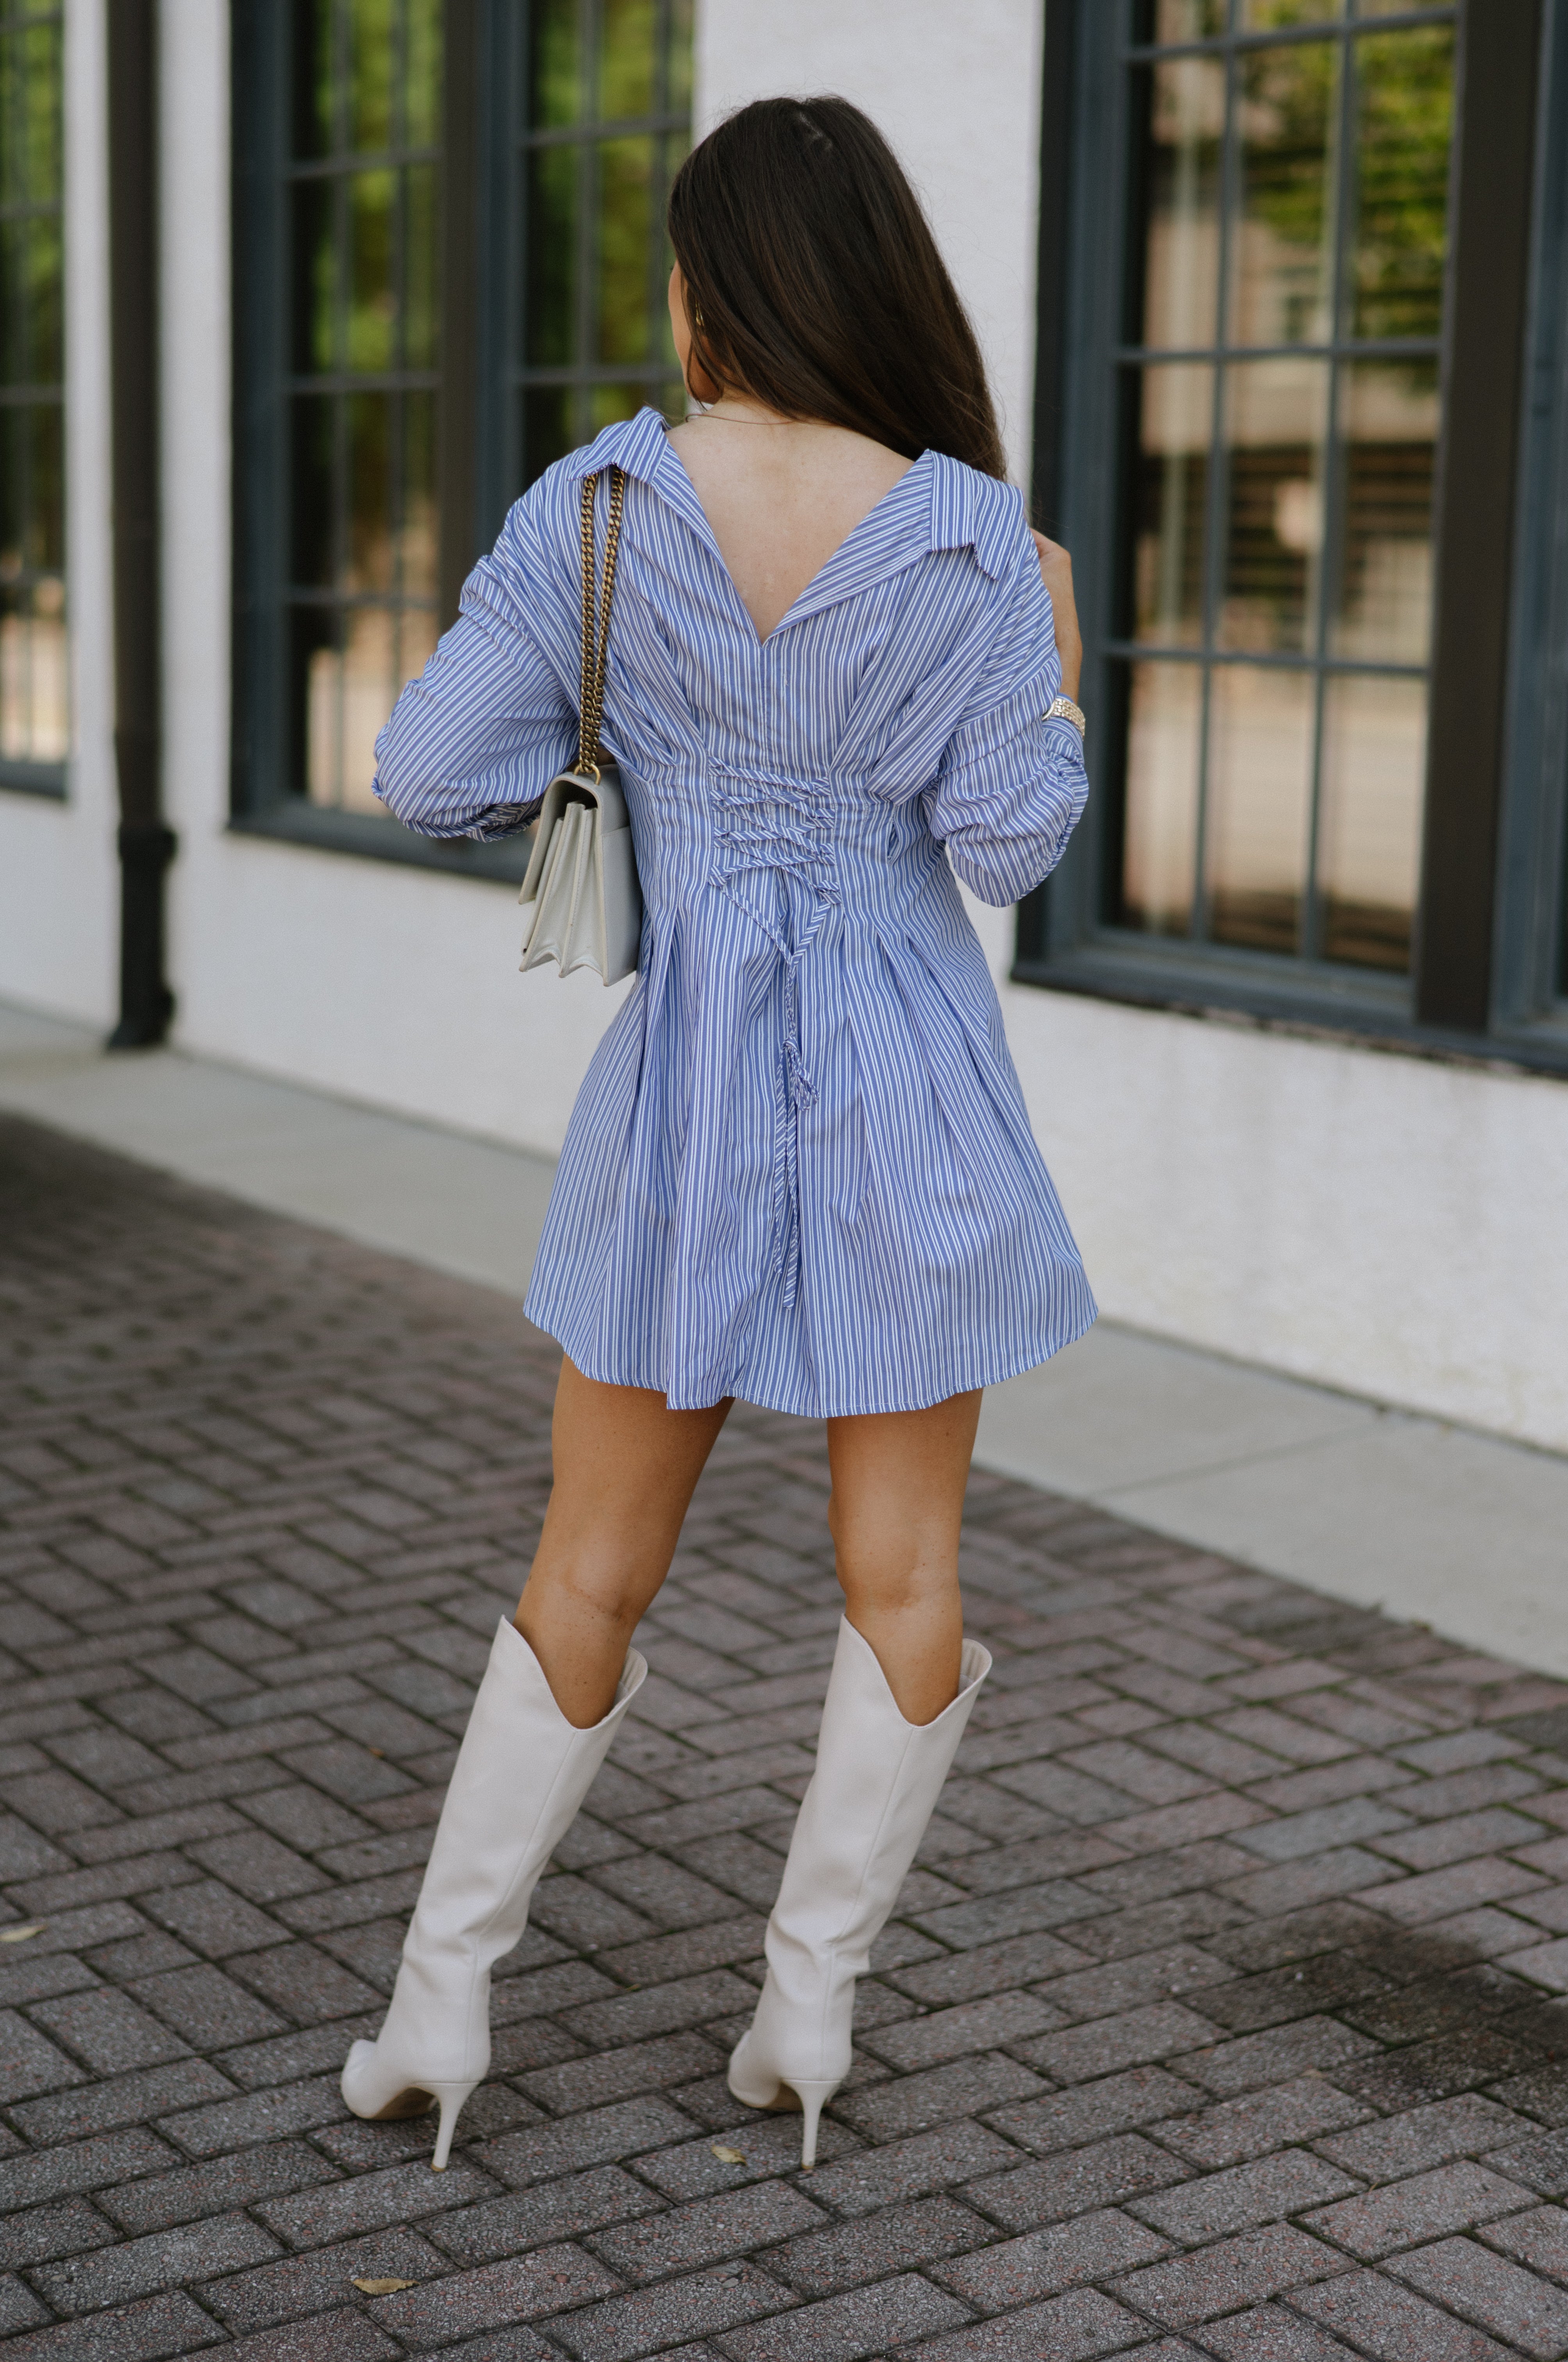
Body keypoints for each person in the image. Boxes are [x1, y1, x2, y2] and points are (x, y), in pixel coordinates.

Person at [341, 95, 1094, 2173]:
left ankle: (435, 2020)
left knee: (587, 1559)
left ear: (713, 283)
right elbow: (1012, 849)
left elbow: (423, 772)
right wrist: (1053, 657)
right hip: (912, 1099)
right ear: (870, 279)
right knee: (904, 1569)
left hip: (681, 1099)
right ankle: (805, 2026)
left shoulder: (594, 506)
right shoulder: (965, 536)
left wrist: (613, 786)